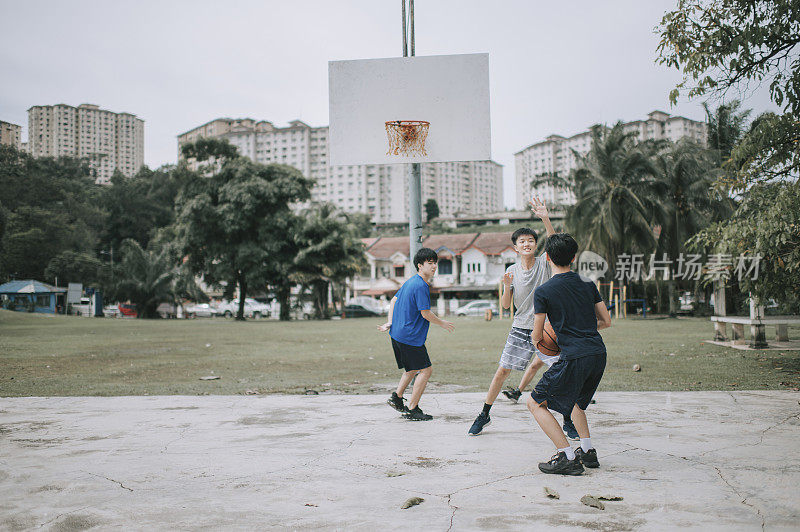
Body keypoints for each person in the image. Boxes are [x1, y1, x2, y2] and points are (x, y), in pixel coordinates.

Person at [468, 196, 580, 437]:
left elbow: (556, 244)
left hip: (547, 329)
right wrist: (507, 287)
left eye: (531, 240)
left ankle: (568, 420)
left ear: (535, 246)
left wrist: (545, 218)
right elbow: (506, 306)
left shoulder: (544, 264)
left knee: (561, 372)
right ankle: (484, 414)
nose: (527, 243)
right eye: (522, 241)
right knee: (503, 371)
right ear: (515, 248)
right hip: (520, 328)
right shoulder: (511, 271)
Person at [526, 233, 612, 475]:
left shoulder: (544, 291)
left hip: (574, 356)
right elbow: (606, 320)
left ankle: (566, 456)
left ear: (547, 258)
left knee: (534, 403)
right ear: (574, 257)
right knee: (574, 401)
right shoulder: (587, 283)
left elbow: (537, 335)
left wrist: (544, 343)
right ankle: (587, 451)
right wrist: (581, 329)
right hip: (597, 353)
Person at [378, 247, 455, 421]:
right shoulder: (420, 285)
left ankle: (396, 398)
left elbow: (393, 300)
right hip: (409, 338)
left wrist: (390, 322)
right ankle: (412, 409)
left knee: (412, 369)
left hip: (398, 335)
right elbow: (425, 313)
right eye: (430, 263)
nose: (434, 266)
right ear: (420, 266)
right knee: (426, 370)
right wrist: (442, 323)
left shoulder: (410, 281)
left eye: (435, 262)